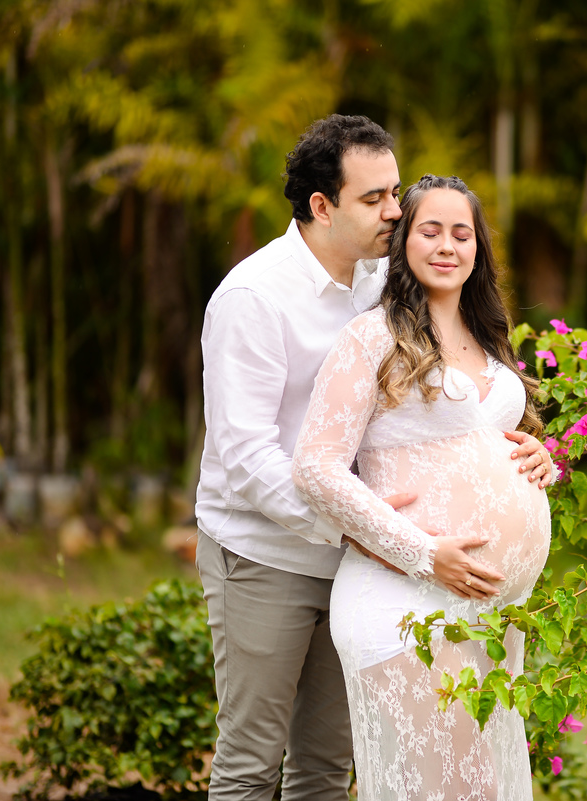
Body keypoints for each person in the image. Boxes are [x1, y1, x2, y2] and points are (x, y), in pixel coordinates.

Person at [195, 118, 554, 801]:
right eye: (375, 198)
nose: (396, 210)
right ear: (321, 206)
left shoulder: (381, 284)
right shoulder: (253, 298)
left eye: (396, 192)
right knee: (250, 759)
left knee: (326, 767)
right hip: (267, 552)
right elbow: (246, 457)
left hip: (369, 564)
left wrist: (527, 455)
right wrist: (370, 529)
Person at [292, 174, 552, 801]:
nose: (446, 245)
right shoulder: (372, 337)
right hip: (405, 603)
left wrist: (541, 458)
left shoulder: (487, 338)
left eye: (461, 233)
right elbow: (316, 468)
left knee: (481, 788)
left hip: (487, 611)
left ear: (477, 248)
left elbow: (485, 444)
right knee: (456, 790)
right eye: (429, 230)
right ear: (403, 241)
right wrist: (422, 553)